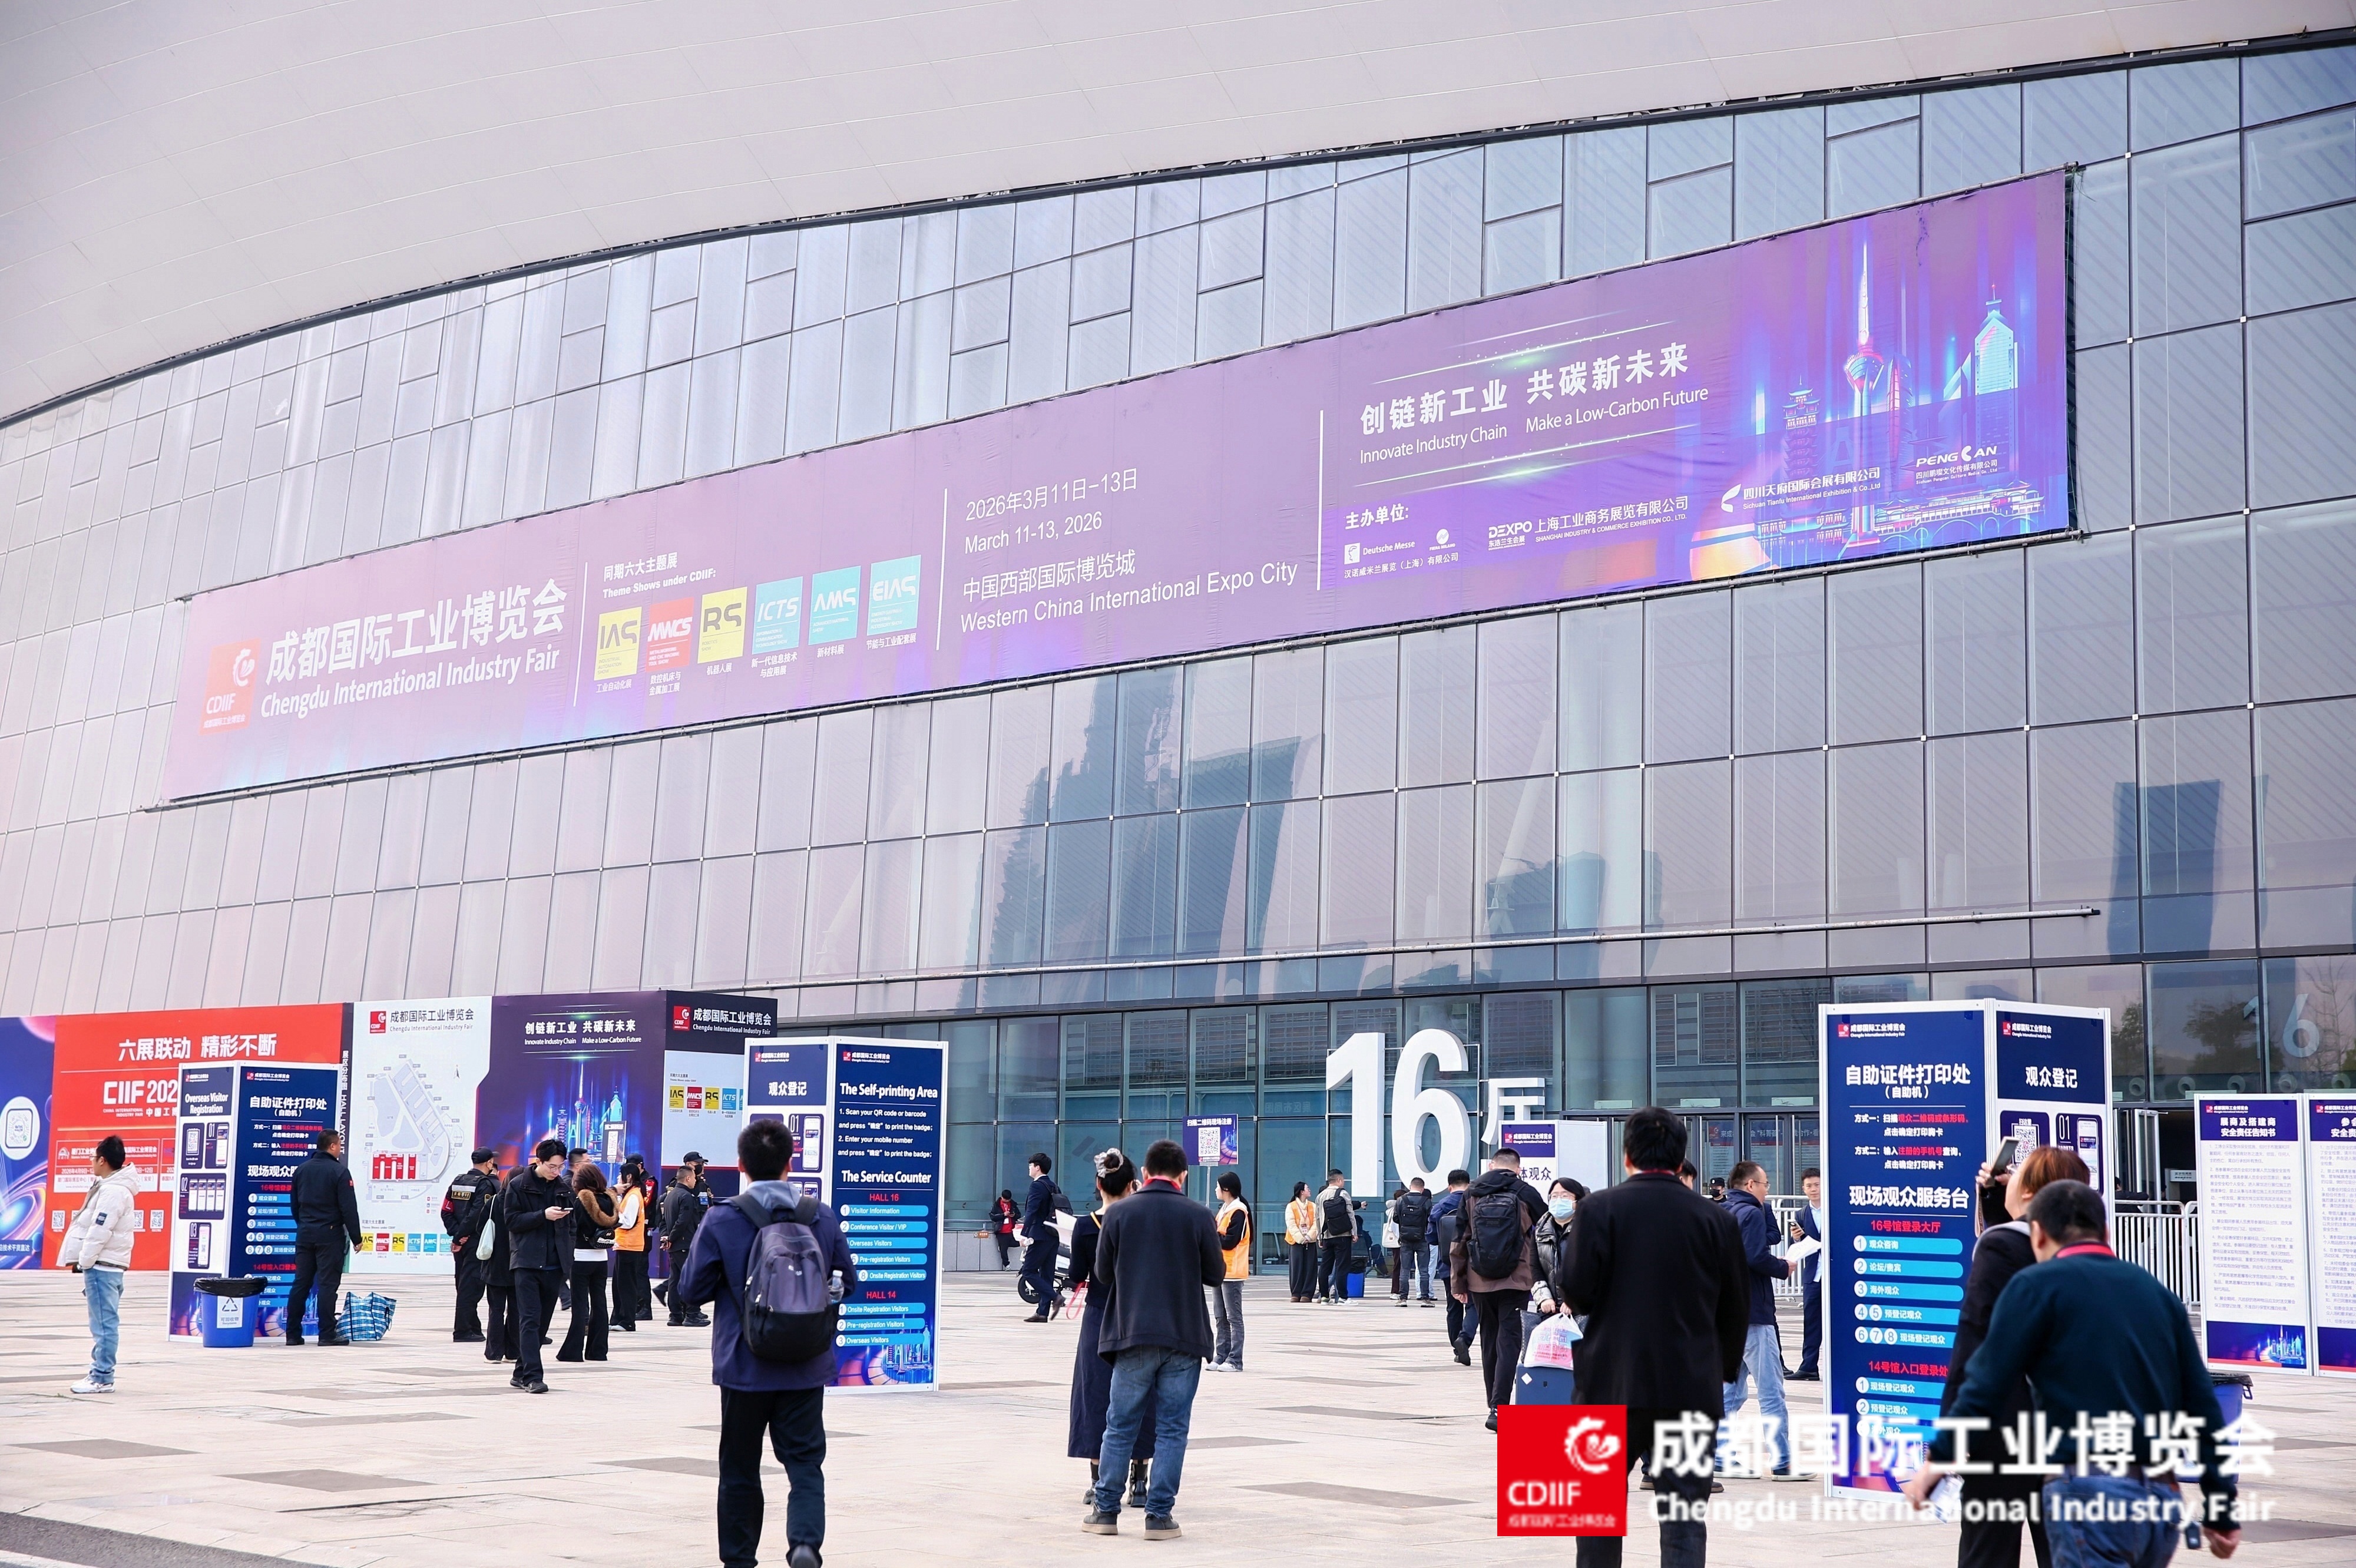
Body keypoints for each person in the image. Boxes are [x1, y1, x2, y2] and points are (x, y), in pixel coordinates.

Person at [1906, 1180, 2241, 1566]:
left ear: (2038, 1235)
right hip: (2160, 1498)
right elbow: (2202, 1405)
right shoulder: (2157, 1294)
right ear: (2106, 1233)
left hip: (2088, 1492)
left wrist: (1939, 1458)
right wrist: (2221, 1508)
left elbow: (1984, 1382)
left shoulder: (2035, 1286)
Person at [1560, 1108, 1750, 1568]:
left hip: (1611, 1385)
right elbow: (1735, 1309)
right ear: (1681, 1158)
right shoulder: (1716, 1219)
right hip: (1689, 1387)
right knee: (1684, 1522)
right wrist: (1720, 1371)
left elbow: (1578, 1292)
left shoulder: (1598, 1209)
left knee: (1597, 1520)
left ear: (1627, 1156)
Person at [679, 1119, 859, 1568]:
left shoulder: (723, 1217)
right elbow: (848, 1282)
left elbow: (691, 1290)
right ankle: (804, 1544)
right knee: (805, 1464)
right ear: (789, 1163)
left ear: (740, 1165)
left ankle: (739, 1560)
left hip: (744, 1365)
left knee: (740, 1467)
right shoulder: (820, 1215)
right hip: (806, 1363)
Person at [1931, 1143, 2089, 1568]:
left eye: (2018, 1174)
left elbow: (1975, 1340)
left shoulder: (2001, 1246)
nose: (2010, 1175)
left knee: (1989, 1549)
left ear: (2031, 1192)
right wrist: (1998, 1202)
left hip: (2005, 1428)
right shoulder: (2083, 1249)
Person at [1083, 1139, 1223, 1540]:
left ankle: (1105, 1512)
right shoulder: (1199, 1215)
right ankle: (1159, 1517)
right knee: (1173, 1429)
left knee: (1120, 1425)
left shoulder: (1119, 1213)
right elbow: (1215, 1275)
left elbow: (1103, 1274)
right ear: (1184, 1176)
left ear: (1144, 1174)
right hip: (1184, 1336)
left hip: (1132, 1334)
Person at [1068, 1147, 1154, 1511]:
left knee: (1095, 1394)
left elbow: (1077, 1275)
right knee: (1144, 1392)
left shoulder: (1086, 1225)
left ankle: (1098, 1481)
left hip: (1100, 1316)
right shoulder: (1145, 1222)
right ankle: (1140, 1480)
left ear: (1099, 1184)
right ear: (1133, 1184)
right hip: (1140, 1315)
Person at [1449, 1146, 1546, 1429]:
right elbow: (1546, 1234)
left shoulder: (1471, 1193)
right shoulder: (1526, 1192)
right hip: (1516, 1279)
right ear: (1518, 1168)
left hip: (1479, 1279)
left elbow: (1460, 1240)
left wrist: (1458, 1282)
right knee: (1509, 1341)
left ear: (1491, 1166)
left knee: (1489, 1339)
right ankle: (1499, 1407)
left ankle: (1493, 1404)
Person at [1719, 1160, 1798, 1478]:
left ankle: (1720, 1457)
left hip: (1728, 1314)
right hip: (1754, 1312)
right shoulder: (1751, 1213)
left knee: (1731, 1393)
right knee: (1771, 1391)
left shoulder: (1723, 1211)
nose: (1768, 1190)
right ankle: (1782, 1461)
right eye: (1765, 1184)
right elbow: (1755, 1256)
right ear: (1751, 1185)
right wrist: (1783, 1267)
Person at [61, 1135, 135, 1394]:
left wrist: (85, 1260)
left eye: (93, 1158)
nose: (91, 1162)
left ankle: (101, 1378)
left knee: (104, 1325)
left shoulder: (113, 1191)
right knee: (104, 1323)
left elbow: (99, 1230)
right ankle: (100, 1374)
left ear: (103, 1160)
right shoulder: (112, 1187)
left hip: (102, 1266)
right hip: (106, 1266)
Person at [503, 1138, 575, 1393]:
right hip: (527, 1262)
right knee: (530, 1320)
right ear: (539, 1161)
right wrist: (542, 1215)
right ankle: (533, 1377)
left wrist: (567, 1253)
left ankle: (520, 1371)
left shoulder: (564, 1188)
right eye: (552, 1166)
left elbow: (572, 1225)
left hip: (554, 1264)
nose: (556, 1171)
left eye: (560, 1167)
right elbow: (511, 1221)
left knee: (543, 1323)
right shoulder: (518, 1185)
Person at [286, 1129, 362, 1346]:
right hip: (329, 1235)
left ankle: (292, 1335)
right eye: (339, 1146)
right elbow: (349, 1208)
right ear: (332, 1146)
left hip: (305, 1234)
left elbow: (295, 1205)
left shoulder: (302, 1170)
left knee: (301, 1284)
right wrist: (357, 1238)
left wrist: (305, 1225)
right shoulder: (339, 1172)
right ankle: (327, 1334)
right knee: (328, 1285)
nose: (340, 1150)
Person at [558, 1163, 617, 1363]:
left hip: (581, 1257)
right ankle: (598, 1351)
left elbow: (575, 1228)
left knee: (580, 1305)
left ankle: (573, 1351)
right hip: (601, 1258)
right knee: (600, 1304)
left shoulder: (581, 1201)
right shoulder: (609, 1200)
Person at [442, 1147, 499, 1342]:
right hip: (474, 1242)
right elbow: (478, 1215)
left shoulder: (458, 1181)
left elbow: (446, 1211)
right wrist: (462, 1236)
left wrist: (457, 1235)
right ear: (489, 1163)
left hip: (461, 1243)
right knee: (471, 1288)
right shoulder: (485, 1184)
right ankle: (463, 1331)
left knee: (463, 1285)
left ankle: (474, 1328)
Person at [664, 1156, 714, 1326]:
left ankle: (676, 1314)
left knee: (676, 1279)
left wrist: (669, 1238)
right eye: (693, 1177)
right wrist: (671, 1238)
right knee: (693, 1277)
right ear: (687, 1178)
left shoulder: (672, 1195)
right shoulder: (685, 1196)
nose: (695, 1180)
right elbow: (682, 1221)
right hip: (684, 1242)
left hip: (677, 1243)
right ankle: (692, 1313)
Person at [1431, 1169, 1475, 1362]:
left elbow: (1431, 1238)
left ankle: (1457, 1349)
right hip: (1474, 1264)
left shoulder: (1440, 1207)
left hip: (1448, 1265)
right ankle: (1465, 1339)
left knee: (1453, 1307)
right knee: (1474, 1305)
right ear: (1469, 1184)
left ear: (1449, 1187)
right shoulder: (1476, 1203)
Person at [1209, 1172, 1249, 1372]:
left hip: (1233, 1272)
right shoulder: (1225, 1210)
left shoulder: (1239, 1211)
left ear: (1226, 1189)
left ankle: (1235, 1360)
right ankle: (1221, 1356)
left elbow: (1230, 1241)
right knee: (1220, 1317)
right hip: (1220, 1270)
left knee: (1234, 1318)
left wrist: (1211, 1235)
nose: (1215, 1190)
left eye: (1218, 1186)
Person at [1018, 1152, 1064, 1321]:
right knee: (1047, 1274)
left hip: (1039, 1235)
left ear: (1037, 1167)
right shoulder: (1053, 1186)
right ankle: (1042, 1313)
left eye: (1031, 1166)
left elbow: (1031, 1211)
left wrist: (1024, 1234)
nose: (1029, 1168)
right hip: (1054, 1234)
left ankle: (1056, 1297)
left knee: (1028, 1271)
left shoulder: (1037, 1186)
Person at [1530, 1176, 1585, 1315]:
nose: (1558, 1200)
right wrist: (1544, 1298)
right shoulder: (1540, 1230)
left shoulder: (1589, 1228)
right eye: (1554, 1196)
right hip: (1551, 1308)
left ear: (1578, 1201)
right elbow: (1535, 1267)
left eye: (1565, 1196)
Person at [1788, 1167, 1823, 1381]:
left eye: (1817, 1185)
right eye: (1809, 1186)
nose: (1814, 1189)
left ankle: (1842, 1364)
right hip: (1812, 1275)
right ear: (1803, 1189)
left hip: (1834, 1274)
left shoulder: (1834, 1208)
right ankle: (1809, 1366)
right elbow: (1797, 1247)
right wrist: (1797, 1238)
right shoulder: (1801, 1214)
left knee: (1840, 1320)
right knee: (1811, 1321)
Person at [481, 1165, 516, 1365]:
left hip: (495, 1264)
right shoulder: (524, 1205)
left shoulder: (494, 1202)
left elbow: (480, 1227)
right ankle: (513, 1352)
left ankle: (494, 1353)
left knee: (496, 1309)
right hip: (517, 1264)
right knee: (516, 1310)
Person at [610, 1155, 650, 1332]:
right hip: (623, 1245)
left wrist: (613, 1218)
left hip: (630, 1247)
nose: (618, 1179)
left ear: (629, 1177)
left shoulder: (634, 1196)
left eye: (621, 1175)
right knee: (618, 1285)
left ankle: (627, 1321)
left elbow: (629, 1222)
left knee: (626, 1286)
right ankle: (618, 1318)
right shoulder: (628, 1196)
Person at [1394, 1176, 1434, 1305]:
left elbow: (1395, 1218)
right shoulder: (1426, 1201)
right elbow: (1431, 1219)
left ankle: (1403, 1298)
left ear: (1410, 1187)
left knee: (1404, 1270)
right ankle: (1425, 1299)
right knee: (1424, 1270)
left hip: (1405, 1240)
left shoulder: (1401, 1200)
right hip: (1422, 1239)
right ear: (1422, 1189)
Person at [1315, 1169, 1353, 1303]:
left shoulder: (1320, 1196)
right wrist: (1354, 1232)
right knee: (1342, 1266)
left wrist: (1320, 1237)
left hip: (1326, 1235)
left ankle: (1324, 1296)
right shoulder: (1343, 1193)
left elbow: (1317, 1218)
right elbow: (1350, 1213)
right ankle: (1343, 1297)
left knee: (1325, 1267)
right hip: (1343, 1234)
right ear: (1339, 1180)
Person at [1283, 1181, 1318, 1302]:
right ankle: (1296, 1293)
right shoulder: (1291, 1206)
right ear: (1302, 1192)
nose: (1309, 1190)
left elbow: (1316, 1223)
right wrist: (1301, 1238)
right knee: (1296, 1268)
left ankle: (1307, 1294)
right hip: (1295, 1241)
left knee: (1310, 1267)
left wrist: (1309, 1237)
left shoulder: (1313, 1206)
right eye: (1307, 1188)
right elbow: (1291, 1224)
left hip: (1310, 1241)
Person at [991, 1189, 1021, 1269]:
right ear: (1002, 1197)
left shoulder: (1013, 1205)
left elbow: (1019, 1215)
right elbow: (993, 1217)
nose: (1007, 1201)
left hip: (1011, 1230)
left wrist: (1014, 1215)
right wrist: (1003, 1215)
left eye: (1008, 1200)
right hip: (1001, 1230)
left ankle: (1002, 1246)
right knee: (1004, 1250)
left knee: (1016, 1243)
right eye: (1006, 1199)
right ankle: (1007, 1265)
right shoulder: (997, 1205)